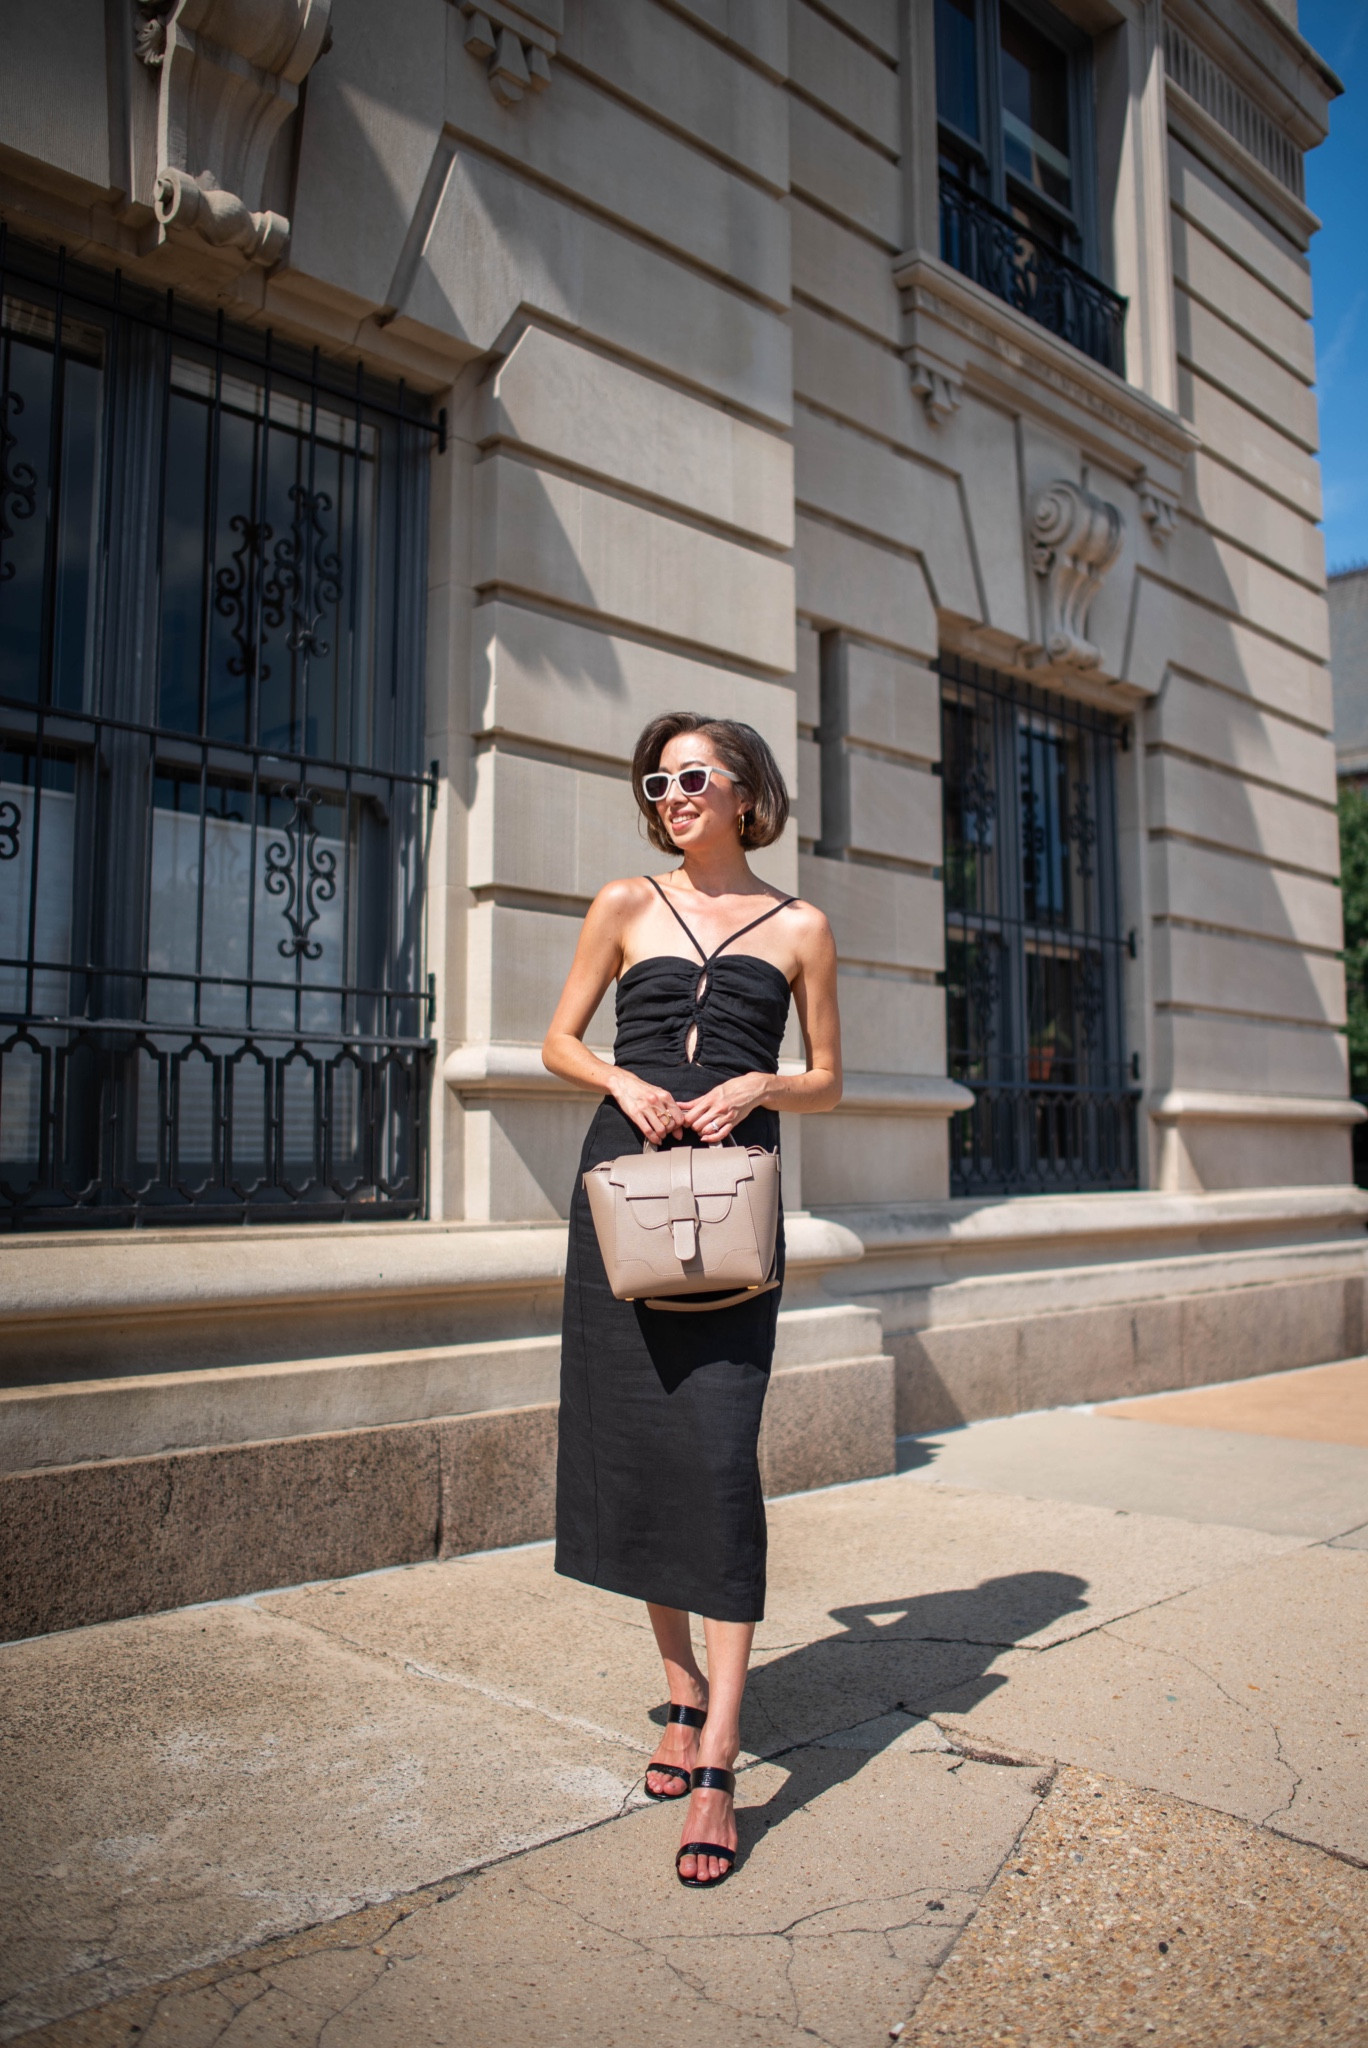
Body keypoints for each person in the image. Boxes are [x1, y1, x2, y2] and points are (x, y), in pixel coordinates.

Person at [542, 711, 842, 1888]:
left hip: (733, 1199)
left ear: (745, 790)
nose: (670, 793)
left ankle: (720, 1748)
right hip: (623, 1187)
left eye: (692, 776)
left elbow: (828, 1079)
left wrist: (759, 1080)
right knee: (641, 1443)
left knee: (717, 1451)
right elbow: (558, 1039)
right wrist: (624, 1074)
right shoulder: (624, 903)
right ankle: (678, 1691)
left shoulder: (803, 925)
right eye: (657, 779)